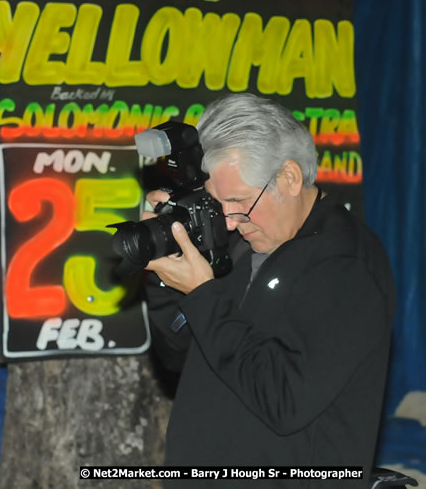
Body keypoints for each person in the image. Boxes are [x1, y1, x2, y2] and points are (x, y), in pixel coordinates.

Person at [142, 93, 395, 487]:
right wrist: (164, 275)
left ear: (290, 178)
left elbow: (285, 401)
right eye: (217, 203)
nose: (227, 220)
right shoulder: (243, 240)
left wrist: (203, 296)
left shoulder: (345, 266)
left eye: (239, 201)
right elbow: (182, 357)